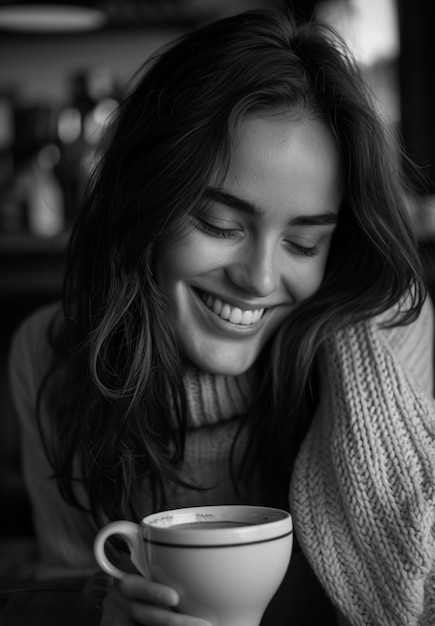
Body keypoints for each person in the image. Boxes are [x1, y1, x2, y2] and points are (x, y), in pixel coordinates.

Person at [8, 6, 435, 626]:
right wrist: (105, 611)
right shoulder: (50, 351)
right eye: (219, 225)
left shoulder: (389, 333)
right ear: (143, 200)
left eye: (304, 244)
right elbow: (68, 574)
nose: (259, 279)